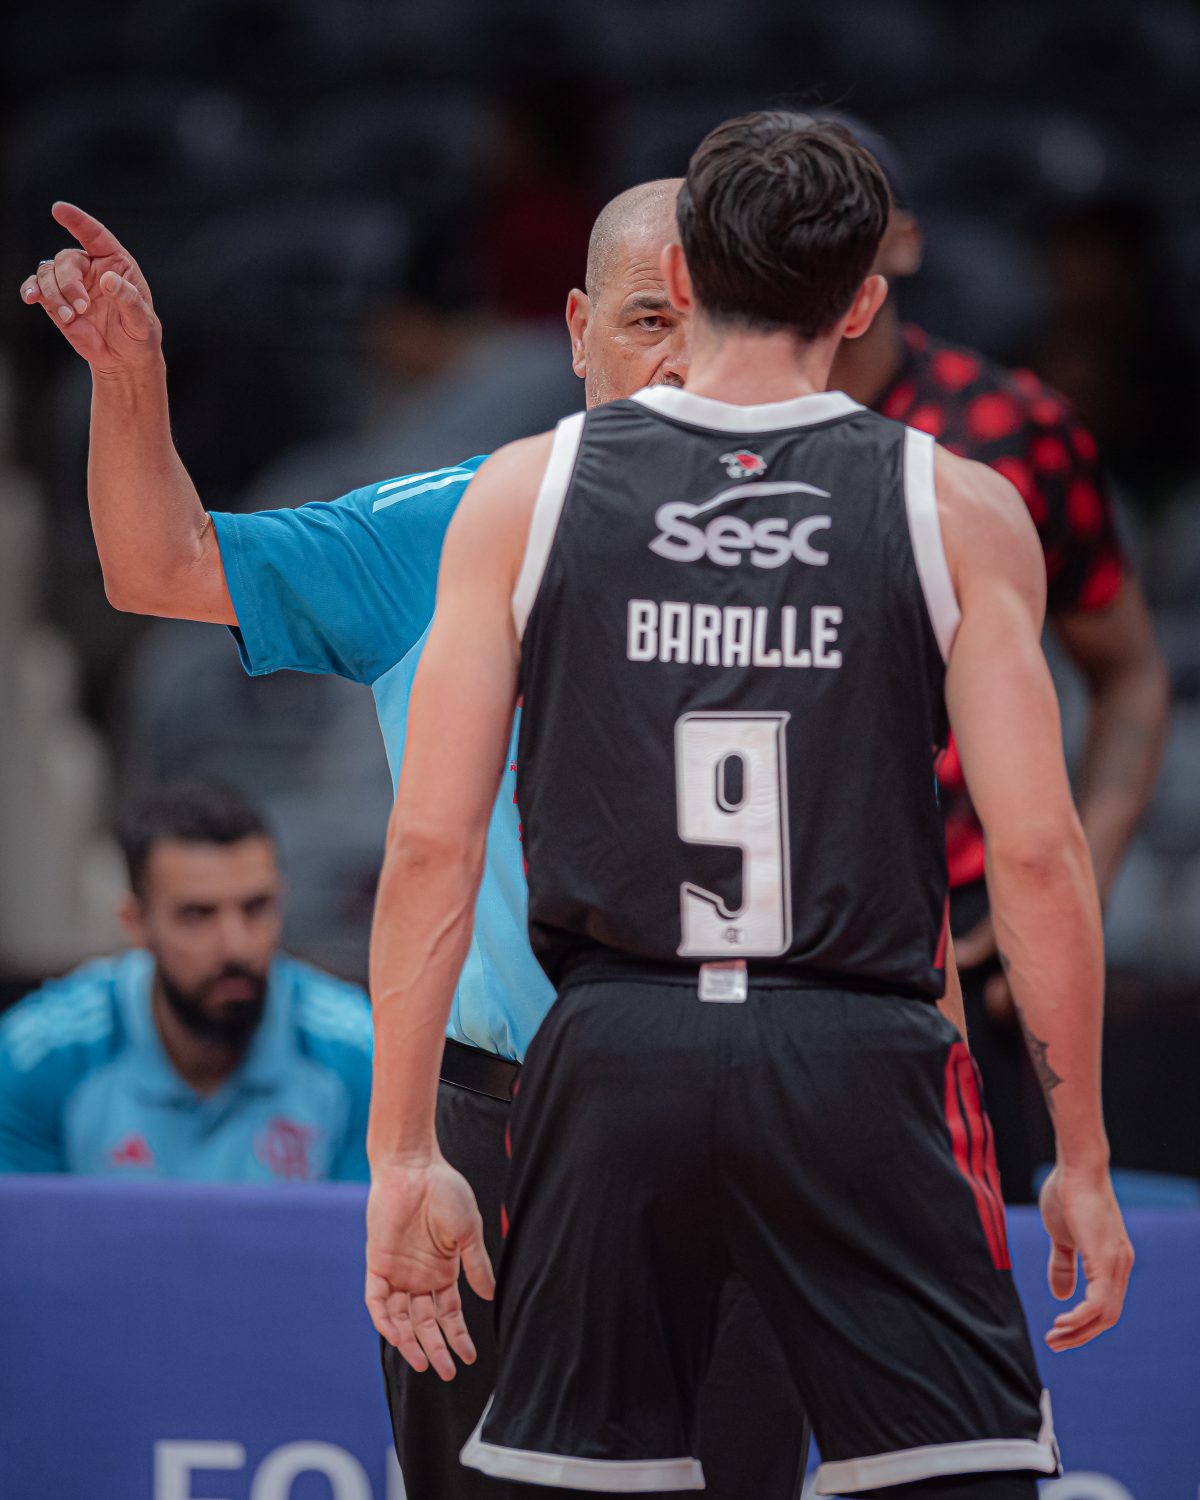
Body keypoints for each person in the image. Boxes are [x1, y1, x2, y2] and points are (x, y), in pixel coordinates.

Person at [20, 183, 845, 1500]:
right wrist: (130, 378)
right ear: (575, 332)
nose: (681, 362)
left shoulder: (838, 547)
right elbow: (157, 566)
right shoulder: (447, 529)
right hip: (495, 1125)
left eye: (717, 323)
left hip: (748, 1114)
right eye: (646, 321)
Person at [364, 114, 1133, 1498]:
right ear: (863, 300)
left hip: (613, 1053)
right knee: (960, 1474)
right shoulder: (957, 506)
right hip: (856, 1053)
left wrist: (403, 1151)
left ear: (682, 267)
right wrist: (1078, 1152)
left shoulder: (528, 493)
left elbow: (431, 844)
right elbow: (1033, 854)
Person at [823, 113, 1172, 1201]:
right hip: (750, 936)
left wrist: (1078, 892)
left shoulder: (1012, 429)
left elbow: (1132, 675)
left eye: (842, 217)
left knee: (984, 1274)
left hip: (971, 937)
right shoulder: (679, 443)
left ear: (904, 243)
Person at [0, 779, 373, 1180]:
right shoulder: (41, 1056)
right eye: (197, 915)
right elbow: (23, 1220)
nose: (236, 947)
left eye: (255, 907)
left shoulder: (359, 1054)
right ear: (135, 922)